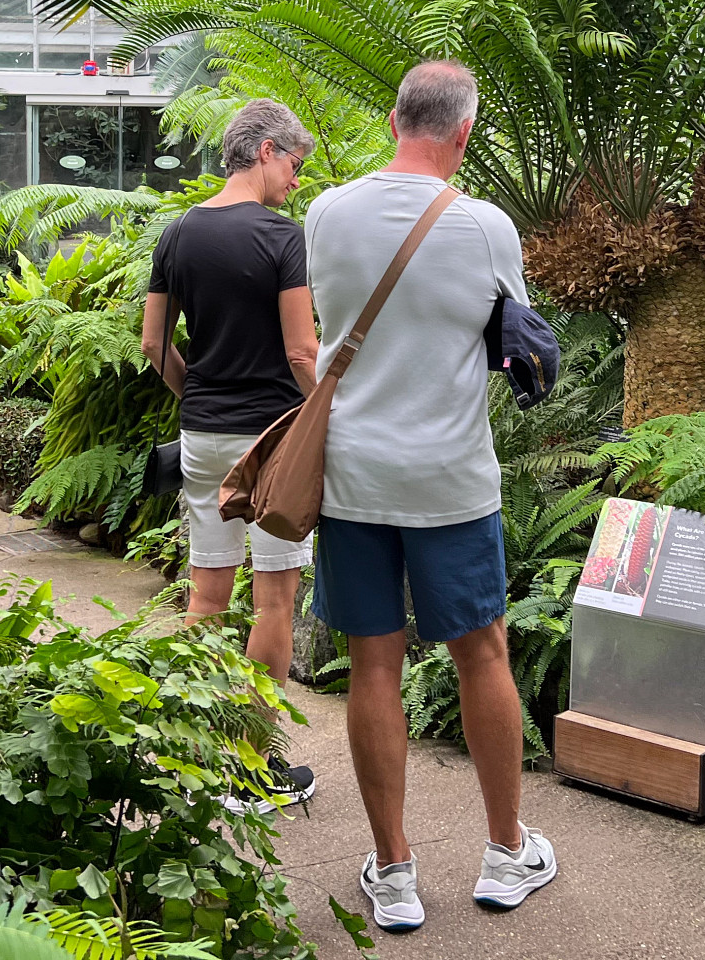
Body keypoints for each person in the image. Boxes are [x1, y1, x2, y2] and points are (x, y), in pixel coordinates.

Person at [305, 59, 557, 932]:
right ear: (465, 132)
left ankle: (396, 871)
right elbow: (512, 345)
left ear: (391, 118)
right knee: (483, 653)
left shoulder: (325, 210)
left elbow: (326, 327)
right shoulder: (487, 228)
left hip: (351, 477)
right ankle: (503, 853)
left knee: (373, 664)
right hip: (451, 479)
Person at [142, 98, 321, 811]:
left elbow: (154, 346)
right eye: (296, 166)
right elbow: (302, 351)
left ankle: (193, 758)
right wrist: (323, 420)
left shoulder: (177, 231)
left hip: (204, 434)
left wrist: (198, 398)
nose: (297, 183)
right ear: (268, 150)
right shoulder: (283, 237)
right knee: (274, 601)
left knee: (205, 597)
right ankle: (253, 768)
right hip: (272, 438)